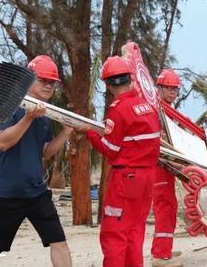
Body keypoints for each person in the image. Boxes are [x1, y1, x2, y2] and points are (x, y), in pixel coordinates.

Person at [0, 55, 73, 266]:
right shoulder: (12, 104)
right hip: (7, 193)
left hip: (36, 192)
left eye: (52, 82)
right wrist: (28, 118)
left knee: (59, 241)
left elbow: (46, 152)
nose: (48, 86)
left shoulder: (46, 113)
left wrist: (66, 132)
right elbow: (2, 142)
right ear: (30, 79)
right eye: (43, 80)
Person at [82, 56, 162, 267]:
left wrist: (90, 133)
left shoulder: (118, 109)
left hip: (126, 179)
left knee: (114, 235)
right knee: (135, 232)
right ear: (130, 78)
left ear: (108, 84)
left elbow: (111, 149)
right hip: (147, 178)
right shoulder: (147, 107)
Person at [151, 69, 185, 267]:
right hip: (159, 165)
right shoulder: (156, 108)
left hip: (167, 165)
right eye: (169, 88)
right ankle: (160, 255)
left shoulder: (168, 111)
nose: (173, 92)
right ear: (160, 88)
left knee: (169, 206)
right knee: (165, 206)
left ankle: (164, 247)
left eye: (175, 89)